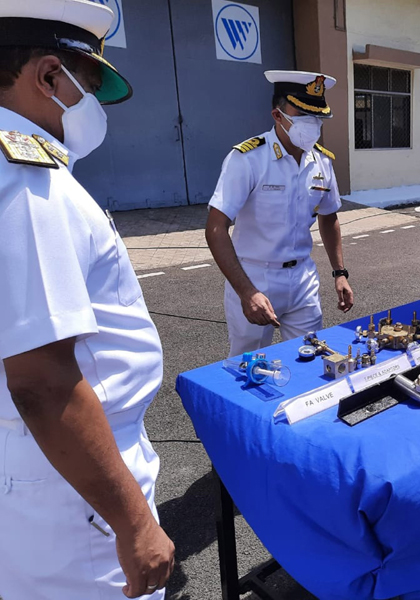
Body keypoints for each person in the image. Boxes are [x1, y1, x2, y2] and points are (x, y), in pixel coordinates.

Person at [0, 2, 174, 599]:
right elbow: (42, 382)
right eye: (89, 84)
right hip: (76, 492)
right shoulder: (28, 182)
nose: (93, 106)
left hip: (41, 468)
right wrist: (133, 522)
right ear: (50, 77)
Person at [206, 70, 354, 358]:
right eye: (302, 116)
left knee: (310, 359)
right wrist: (247, 292)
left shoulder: (321, 162)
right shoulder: (248, 159)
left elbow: (329, 216)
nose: (312, 125)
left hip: (302, 279)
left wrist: (339, 273)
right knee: (248, 364)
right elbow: (216, 227)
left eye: (317, 118)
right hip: (254, 275)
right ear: (277, 115)